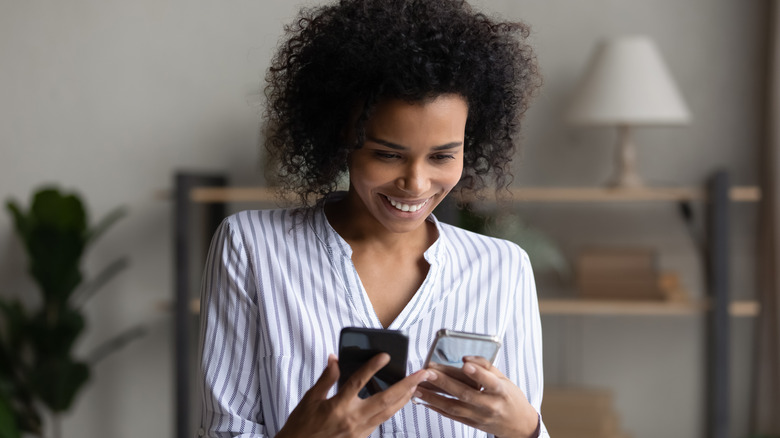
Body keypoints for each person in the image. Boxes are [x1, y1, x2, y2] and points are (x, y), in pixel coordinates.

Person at [197, 0, 547, 436]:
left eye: (442, 156)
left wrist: (529, 429)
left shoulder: (503, 267)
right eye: (387, 154)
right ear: (341, 139)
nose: (416, 184)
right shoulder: (251, 247)